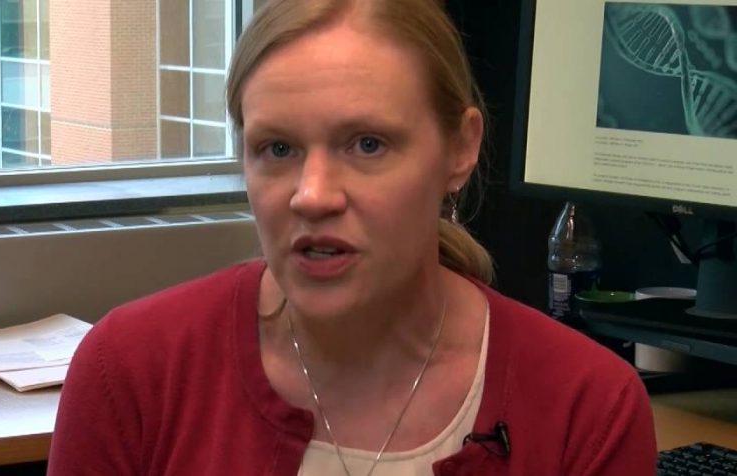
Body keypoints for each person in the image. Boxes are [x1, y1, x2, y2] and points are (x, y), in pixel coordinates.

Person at [48, 0, 657, 474]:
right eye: (277, 149)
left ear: (460, 148)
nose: (312, 195)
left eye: (367, 144)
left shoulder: (585, 407)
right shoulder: (131, 372)